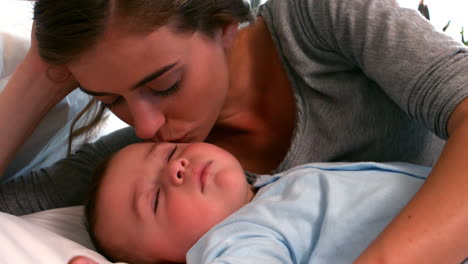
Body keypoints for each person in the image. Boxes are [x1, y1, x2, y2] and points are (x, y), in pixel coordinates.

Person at [0, 0, 467, 262]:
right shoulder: (138, 167)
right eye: (110, 100)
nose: (145, 126)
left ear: (224, 25)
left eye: (165, 84)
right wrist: (39, 76)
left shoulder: (323, 23)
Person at [78, 141, 430, 264]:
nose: (176, 167)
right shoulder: (237, 240)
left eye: (170, 151)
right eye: (153, 199)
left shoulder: (271, 188)